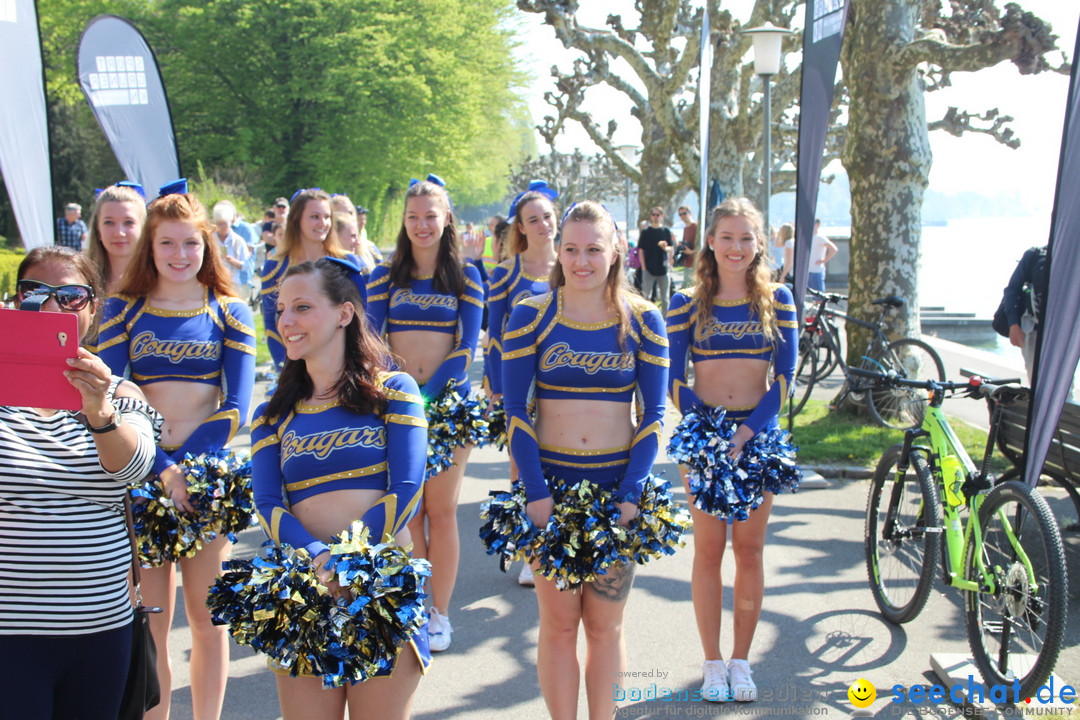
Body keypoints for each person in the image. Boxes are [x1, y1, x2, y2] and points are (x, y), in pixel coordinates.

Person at [500, 201, 670, 720]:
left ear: (617, 251)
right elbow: (515, 411)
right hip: (547, 489)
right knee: (557, 624)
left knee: (605, 626)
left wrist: (632, 491)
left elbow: (654, 414)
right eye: (571, 249)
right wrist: (534, 492)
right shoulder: (531, 313)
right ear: (558, 250)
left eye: (594, 249)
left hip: (615, 493)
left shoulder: (643, 319)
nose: (581, 261)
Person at [97, 189, 256, 720]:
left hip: (206, 482)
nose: (180, 254)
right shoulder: (121, 310)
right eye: (167, 243)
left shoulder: (230, 312)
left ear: (206, 246)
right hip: (140, 476)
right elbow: (116, 396)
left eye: (191, 242)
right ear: (151, 246)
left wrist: (186, 468)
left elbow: (236, 405)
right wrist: (161, 469)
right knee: (152, 622)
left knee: (209, 621)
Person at [251, 258, 428, 720]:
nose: (286, 321)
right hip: (307, 588)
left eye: (302, 307)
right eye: (282, 309)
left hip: (380, 583)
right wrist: (317, 558)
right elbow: (268, 503)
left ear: (344, 314)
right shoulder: (272, 415)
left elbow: (407, 488)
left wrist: (347, 559)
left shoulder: (395, 390)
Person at [1, 247, 160, 720]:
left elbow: (134, 470)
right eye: (36, 293)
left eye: (71, 295)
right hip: (10, 631)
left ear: (92, 310)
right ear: (15, 301)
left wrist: (100, 413)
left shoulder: (119, 392)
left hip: (100, 630)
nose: (52, 306)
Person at [666, 197, 798, 704]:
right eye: (727, 237)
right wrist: (712, 429)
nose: (736, 247)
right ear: (711, 242)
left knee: (749, 550)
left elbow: (785, 380)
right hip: (704, 439)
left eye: (746, 238)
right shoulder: (685, 302)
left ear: (759, 243)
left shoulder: (778, 300)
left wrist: (744, 435)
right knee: (708, 550)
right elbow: (673, 380)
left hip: (758, 439)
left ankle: (741, 661)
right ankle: (711, 662)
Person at [365, 176, 483, 653]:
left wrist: (425, 398)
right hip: (395, 406)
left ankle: (440, 613)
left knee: (442, 511)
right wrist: (403, 398)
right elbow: (372, 343)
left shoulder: (467, 277)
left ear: (446, 219)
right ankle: (413, 607)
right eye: (413, 217)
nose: (421, 225)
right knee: (407, 515)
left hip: (446, 407)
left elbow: (466, 347)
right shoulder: (382, 276)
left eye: (430, 215)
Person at [485, 183, 560, 587]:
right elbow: (494, 334)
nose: (544, 224)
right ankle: (531, 552)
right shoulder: (506, 273)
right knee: (521, 466)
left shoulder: (571, 264)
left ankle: (558, 543)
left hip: (563, 382)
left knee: (558, 460)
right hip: (520, 385)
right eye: (534, 219)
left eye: (548, 216)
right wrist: (497, 386)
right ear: (521, 227)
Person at [260, 189, 360, 373]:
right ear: (297, 220)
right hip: (292, 362)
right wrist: (284, 367)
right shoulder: (275, 266)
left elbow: (361, 320)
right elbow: (271, 322)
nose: (323, 223)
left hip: (341, 365)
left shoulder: (347, 262)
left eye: (327, 217)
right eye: (315, 217)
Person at [85, 183, 147, 296]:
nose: (119, 233)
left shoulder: (162, 285)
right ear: (98, 230)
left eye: (128, 222)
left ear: (143, 228)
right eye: (109, 222)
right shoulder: (81, 284)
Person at [1000, 245, 1049, 383]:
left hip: (1066, 335)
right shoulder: (1035, 255)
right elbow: (1012, 290)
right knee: (1037, 383)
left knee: (1066, 389)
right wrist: (1013, 325)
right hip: (1035, 332)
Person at [785, 219, 838, 293]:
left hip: (816, 271)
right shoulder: (804, 237)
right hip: (805, 271)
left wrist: (824, 260)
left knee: (819, 296)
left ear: (817, 225)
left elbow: (833, 249)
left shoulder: (820, 238)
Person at [637, 206, 673, 313]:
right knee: (646, 297)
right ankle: (645, 318)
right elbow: (641, 250)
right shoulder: (646, 232)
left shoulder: (666, 231)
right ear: (650, 216)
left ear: (662, 216)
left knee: (665, 298)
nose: (655, 217)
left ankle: (666, 320)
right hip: (648, 268)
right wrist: (643, 268)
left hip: (663, 269)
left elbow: (670, 248)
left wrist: (665, 247)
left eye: (658, 215)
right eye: (653, 215)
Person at [212, 200, 252, 293]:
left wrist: (233, 261)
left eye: (224, 223)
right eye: (219, 224)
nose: (221, 227)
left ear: (231, 222)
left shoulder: (238, 241)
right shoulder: (210, 240)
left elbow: (246, 265)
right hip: (214, 282)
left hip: (234, 284)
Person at [676, 205, 698, 289]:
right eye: (680, 215)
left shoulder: (696, 227)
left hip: (696, 263)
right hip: (687, 263)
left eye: (684, 213)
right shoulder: (685, 229)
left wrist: (691, 252)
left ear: (690, 213)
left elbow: (703, 245)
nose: (682, 216)